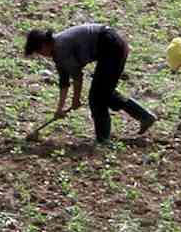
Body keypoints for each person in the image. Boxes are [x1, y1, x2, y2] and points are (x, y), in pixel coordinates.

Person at [24, 24, 156, 143]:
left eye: (39, 52)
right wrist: (59, 109)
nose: (42, 55)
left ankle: (103, 139)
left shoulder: (62, 47)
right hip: (112, 46)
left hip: (112, 45)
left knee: (97, 98)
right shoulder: (57, 53)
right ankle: (144, 116)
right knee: (105, 94)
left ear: (44, 45)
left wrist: (75, 100)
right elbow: (64, 82)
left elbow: (77, 77)